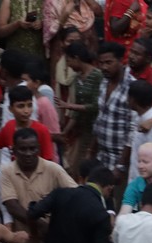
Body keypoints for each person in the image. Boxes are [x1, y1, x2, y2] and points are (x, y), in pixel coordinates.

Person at [56, 42, 103, 178]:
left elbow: (96, 106)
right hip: (83, 132)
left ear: (76, 58)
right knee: (75, 168)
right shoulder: (77, 78)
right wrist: (65, 132)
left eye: (69, 60)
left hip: (96, 132)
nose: (68, 65)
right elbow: (76, 112)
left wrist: (69, 106)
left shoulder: (97, 76)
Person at [93, 42, 135, 178]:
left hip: (120, 161)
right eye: (101, 63)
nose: (104, 67)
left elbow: (133, 130)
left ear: (121, 61)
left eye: (108, 62)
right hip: (102, 157)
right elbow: (100, 118)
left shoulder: (131, 87)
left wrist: (121, 165)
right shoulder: (104, 82)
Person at [0, 86, 56, 164]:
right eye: (21, 106)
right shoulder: (9, 127)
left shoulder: (42, 130)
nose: (26, 111)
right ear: (10, 109)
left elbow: (48, 161)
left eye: (29, 105)